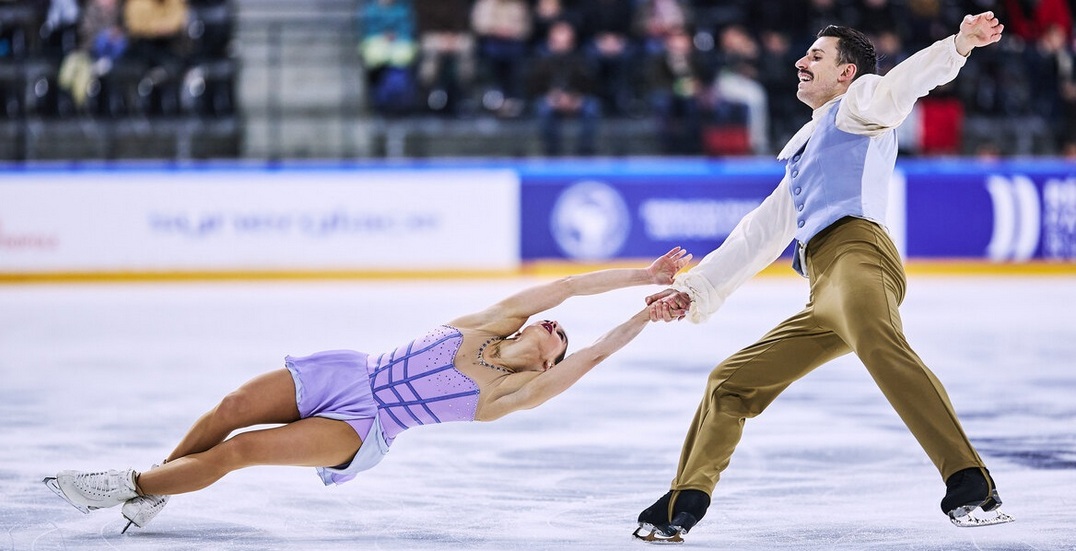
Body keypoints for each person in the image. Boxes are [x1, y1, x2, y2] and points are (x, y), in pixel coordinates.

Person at [632, 12, 1011, 544]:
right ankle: (683, 500)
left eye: (815, 56)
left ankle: (969, 482)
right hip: (823, 289)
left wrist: (958, 45)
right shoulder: (805, 149)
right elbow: (758, 233)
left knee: (880, 344)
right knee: (730, 383)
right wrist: (692, 289)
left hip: (859, 258)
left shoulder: (860, 106)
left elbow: (902, 85)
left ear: (846, 73)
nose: (800, 62)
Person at [45, 247, 693, 533]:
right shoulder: (491, 323)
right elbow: (570, 287)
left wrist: (646, 313)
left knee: (241, 449)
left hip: (363, 427)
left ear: (551, 363)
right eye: (551, 326)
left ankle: (127, 484)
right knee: (232, 409)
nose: (555, 327)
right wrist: (645, 274)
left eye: (561, 338)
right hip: (347, 371)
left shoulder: (507, 397)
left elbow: (600, 349)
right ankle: (163, 480)